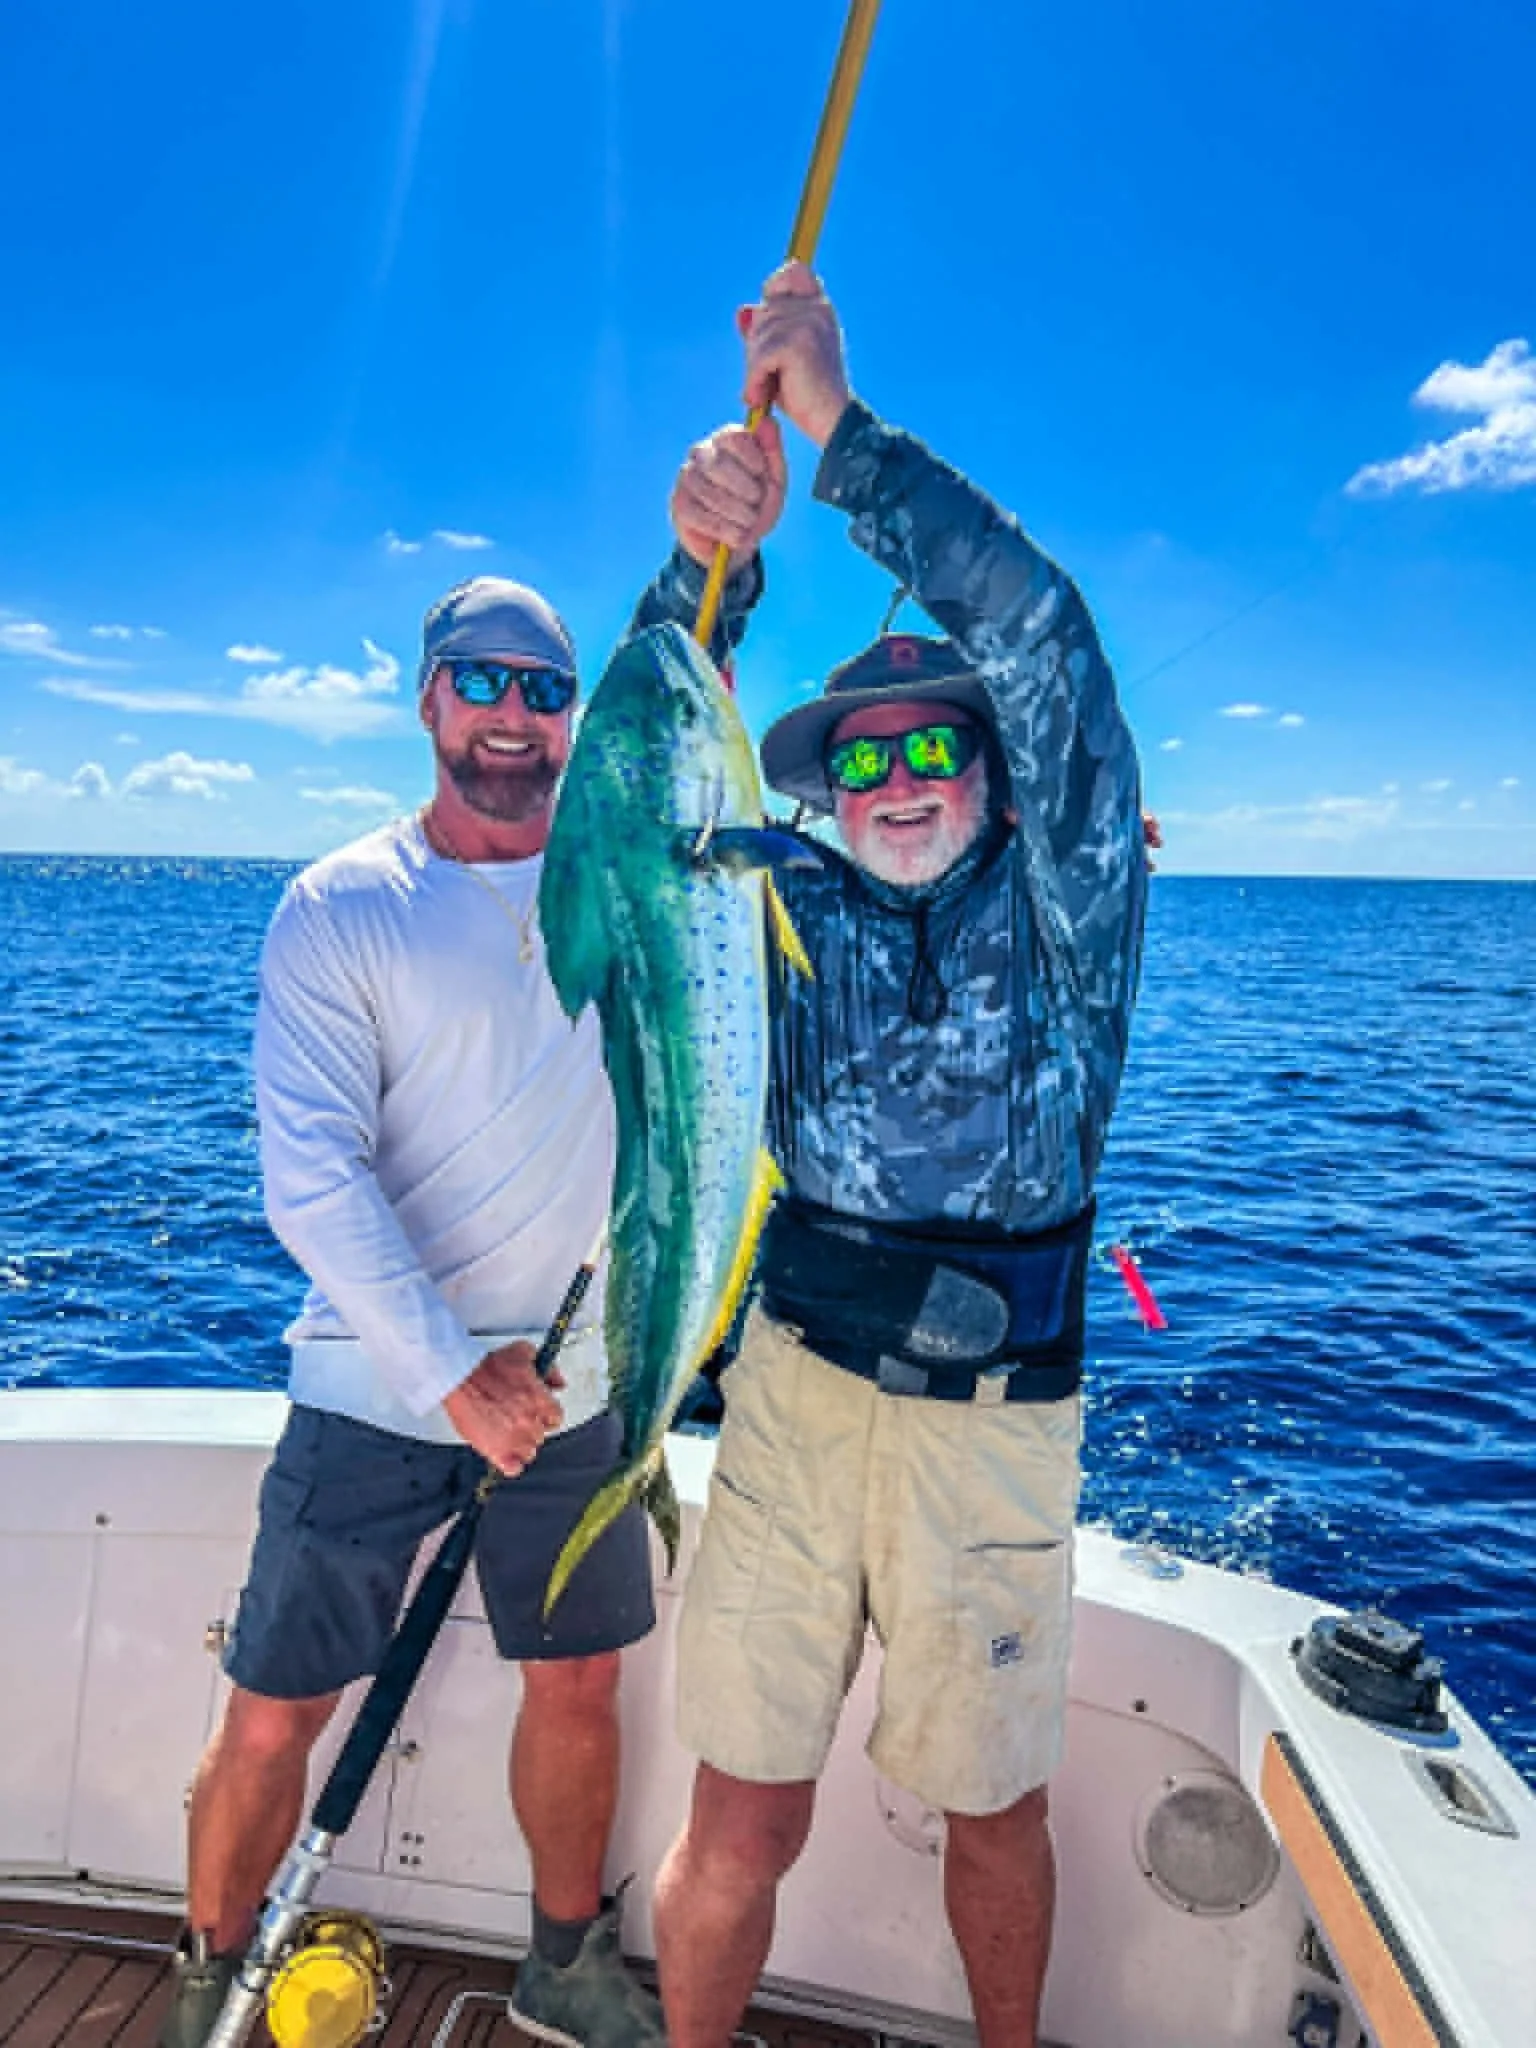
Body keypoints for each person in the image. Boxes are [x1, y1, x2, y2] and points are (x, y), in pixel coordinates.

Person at [156, 551, 765, 2048]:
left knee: (574, 1690)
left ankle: (565, 1962)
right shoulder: (338, 906)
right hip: (375, 1382)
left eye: (542, 690)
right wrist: (450, 1370)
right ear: (427, 698)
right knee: (272, 1708)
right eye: (480, 681)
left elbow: (679, 688)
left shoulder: (634, 885)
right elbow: (311, 1182)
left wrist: (713, 562)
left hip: (584, 1385)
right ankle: (202, 1977)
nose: (512, 713)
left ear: (575, 718)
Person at [648, 263, 1149, 2048]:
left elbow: (1048, 633)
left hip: (993, 1432)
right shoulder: (785, 897)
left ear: (1004, 778)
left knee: (991, 1814)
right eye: (866, 757)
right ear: (825, 792)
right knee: (740, 1814)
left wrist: (839, 439)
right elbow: (649, 761)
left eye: (944, 744)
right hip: (785, 1408)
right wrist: (714, 554)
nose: (907, 777)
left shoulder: (1079, 903)